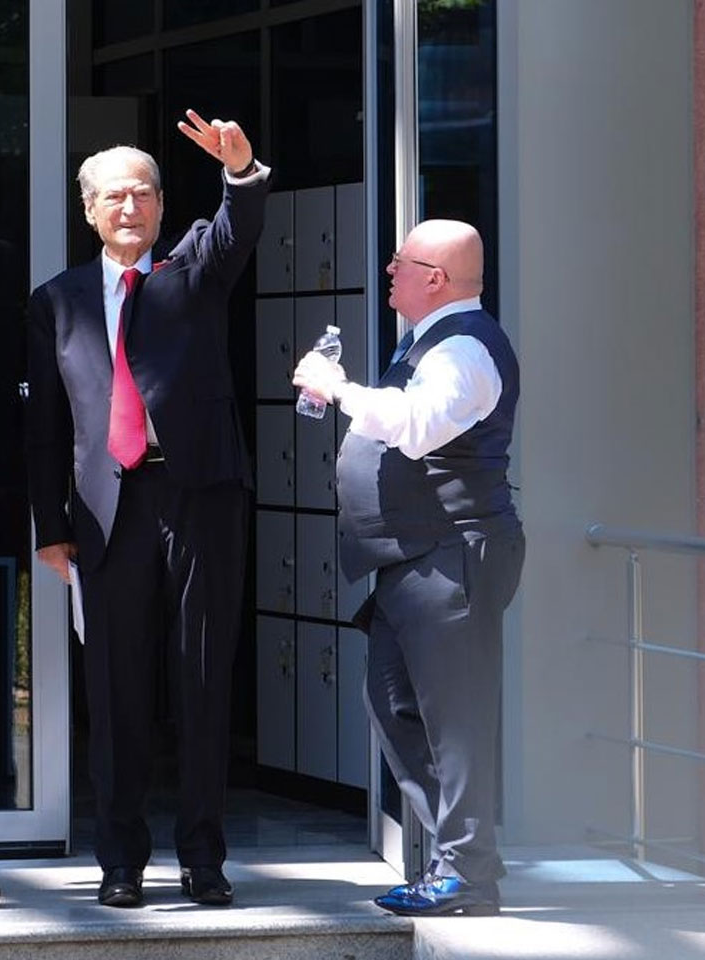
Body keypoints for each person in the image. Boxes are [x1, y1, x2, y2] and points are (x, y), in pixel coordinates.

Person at [25, 110, 269, 908]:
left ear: (163, 206)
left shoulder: (192, 269)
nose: (130, 207)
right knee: (116, 689)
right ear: (89, 210)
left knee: (201, 679)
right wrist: (51, 527)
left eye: (144, 194)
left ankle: (203, 859)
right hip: (107, 511)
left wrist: (239, 172)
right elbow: (46, 425)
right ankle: (121, 862)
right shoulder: (57, 301)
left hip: (200, 498)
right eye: (114, 196)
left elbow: (237, 228)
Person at [292, 219, 524, 918]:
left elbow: (419, 426)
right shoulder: (429, 341)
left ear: (437, 278)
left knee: (455, 718)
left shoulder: (465, 348)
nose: (389, 270)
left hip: (451, 554)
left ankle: (467, 874)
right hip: (413, 559)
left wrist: (338, 388)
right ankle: (465, 855)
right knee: (392, 702)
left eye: (402, 262)